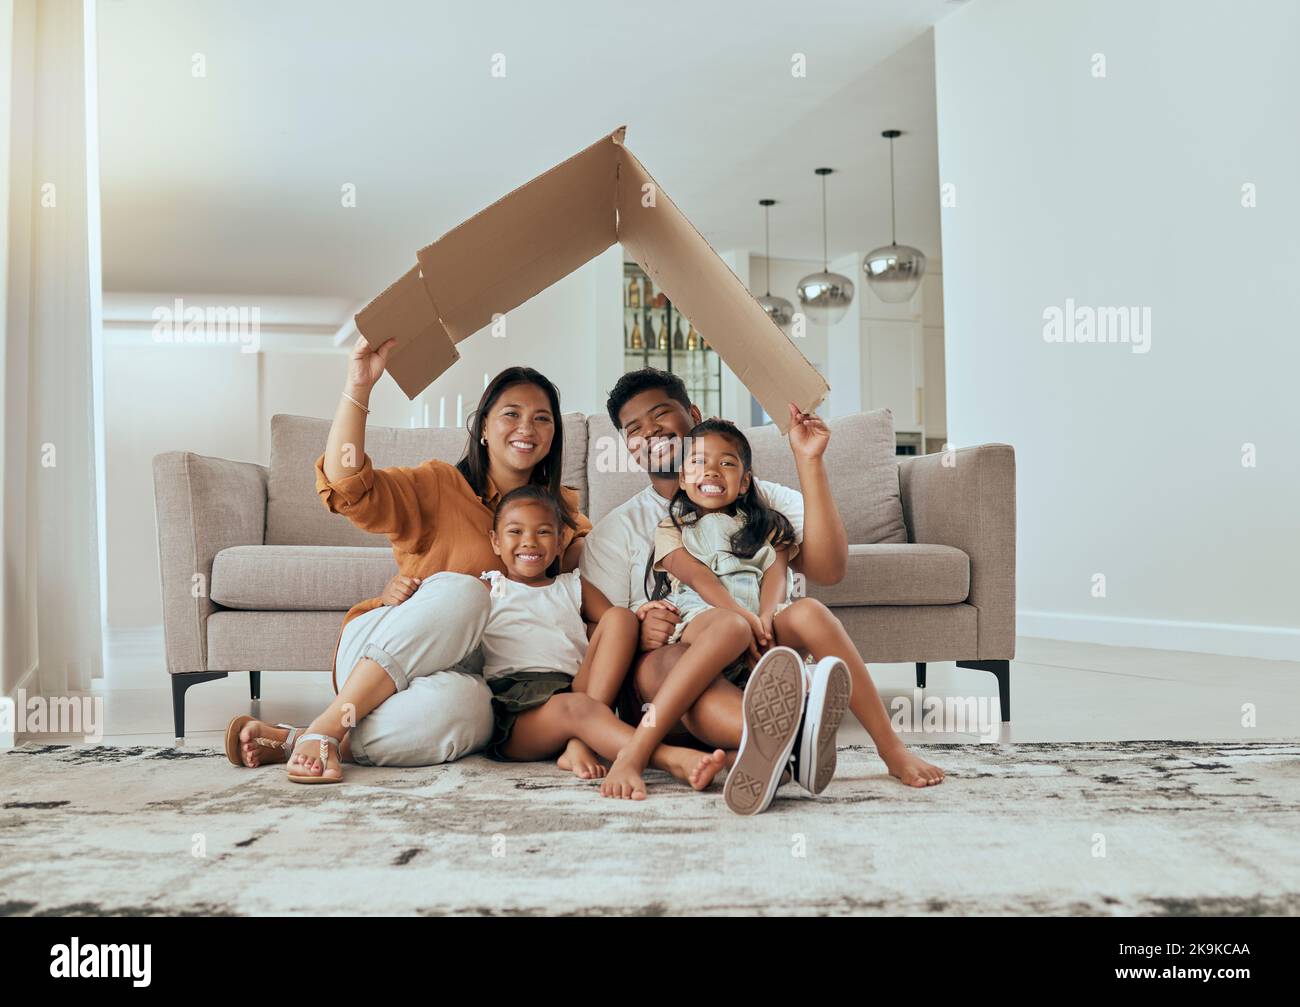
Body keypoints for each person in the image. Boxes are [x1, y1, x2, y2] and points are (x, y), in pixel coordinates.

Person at [225, 336, 589, 782]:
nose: (526, 429)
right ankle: (330, 722)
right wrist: (359, 386)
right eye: (511, 414)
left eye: (542, 419)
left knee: (475, 711)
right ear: (483, 425)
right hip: (383, 648)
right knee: (469, 592)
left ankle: (299, 740)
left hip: (462, 674)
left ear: (554, 435)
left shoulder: (564, 514)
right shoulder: (436, 484)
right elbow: (347, 486)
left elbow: (593, 585)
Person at [580, 368, 945, 803]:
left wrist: (809, 460)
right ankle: (794, 736)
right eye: (634, 429)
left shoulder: (761, 502)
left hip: (761, 653)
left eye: (660, 415)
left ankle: (885, 747)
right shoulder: (618, 529)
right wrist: (641, 629)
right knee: (701, 648)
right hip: (670, 671)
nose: (650, 432)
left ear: (692, 415)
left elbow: (828, 570)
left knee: (808, 611)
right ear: (628, 447)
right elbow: (599, 633)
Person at [475, 484, 726, 798]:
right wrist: (399, 595)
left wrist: (643, 614)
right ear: (495, 542)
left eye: (543, 532)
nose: (529, 541)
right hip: (518, 709)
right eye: (515, 532)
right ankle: (669, 759)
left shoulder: (572, 585)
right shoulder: (488, 589)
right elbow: (444, 621)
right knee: (576, 707)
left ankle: (579, 742)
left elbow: (617, 629)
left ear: (559, 542)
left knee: (621, 617)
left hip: (577, 689)